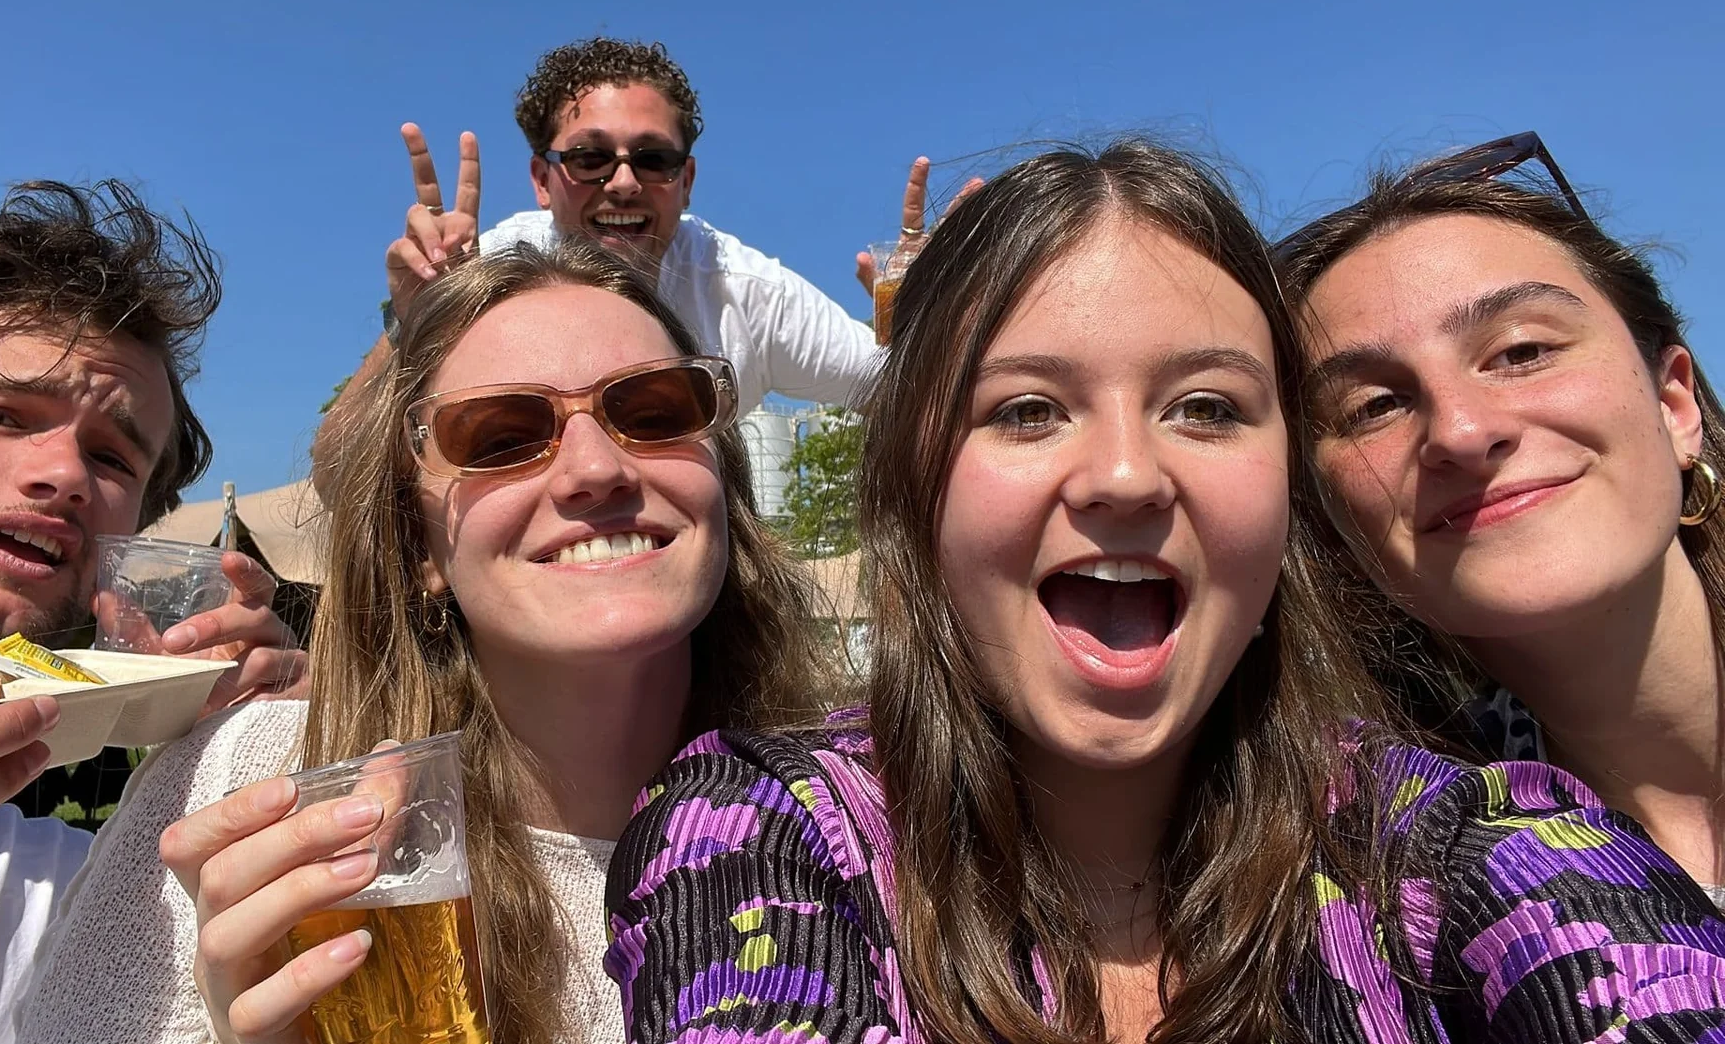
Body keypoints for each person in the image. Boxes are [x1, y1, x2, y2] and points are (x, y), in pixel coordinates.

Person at [606, 143, 1725, 1043]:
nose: (1129, 476)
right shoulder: (763, 833)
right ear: (917, 488)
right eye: (1027, 410)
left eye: (1208, 406)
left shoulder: (1457, 835)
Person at [17, 240, 833, 1044]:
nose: (595, 468)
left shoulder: (866, 824)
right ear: (420, 550)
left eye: (655, 411)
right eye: (502, 436)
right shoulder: (245, 786)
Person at [0, 180, 304, 1044]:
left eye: (112, 457)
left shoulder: (47, 895)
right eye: (0, 413)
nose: (66, 473)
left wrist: (273, 750)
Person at [1278, 132, 1725, 904]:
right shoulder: (1379, 890)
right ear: (1333, 531)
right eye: (1374, 405)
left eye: (1521, 351)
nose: (1459, 430)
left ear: (1673, 404)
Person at [313, 37, 906, 500]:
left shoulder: (741, 290)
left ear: (687, 181)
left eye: (653, 159)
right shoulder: (481, 270)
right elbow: (337, 478)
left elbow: (903, 388)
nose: (623, 183)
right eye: (590, 158)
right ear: (542, 181)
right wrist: (420, 326)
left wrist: (944, 299)